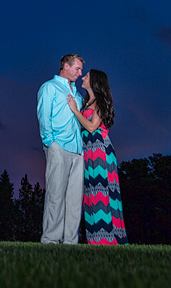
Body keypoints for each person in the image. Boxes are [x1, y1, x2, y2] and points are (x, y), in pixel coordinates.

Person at [67, 69, 128, 244]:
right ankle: (95, 239)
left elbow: (92, 127)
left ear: (94, 81)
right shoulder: (87, 103)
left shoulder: (99, 102)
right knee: (91, 194)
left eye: (86, 76)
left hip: (100, 152)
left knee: (103, 194)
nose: (83, 77)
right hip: (88, 151)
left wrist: (74, 111)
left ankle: (109, 239)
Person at [37, 54, 85, 244]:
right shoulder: (49, 87)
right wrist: (50, 142)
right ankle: (50, 239)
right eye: (77, 69)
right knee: (56, 194)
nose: (80, 74)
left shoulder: (77, 94)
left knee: (74, 199)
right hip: (58, 146)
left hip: (77, 150)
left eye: (81, 70)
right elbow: (43, 115)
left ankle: (71, 241)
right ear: (65, 66)